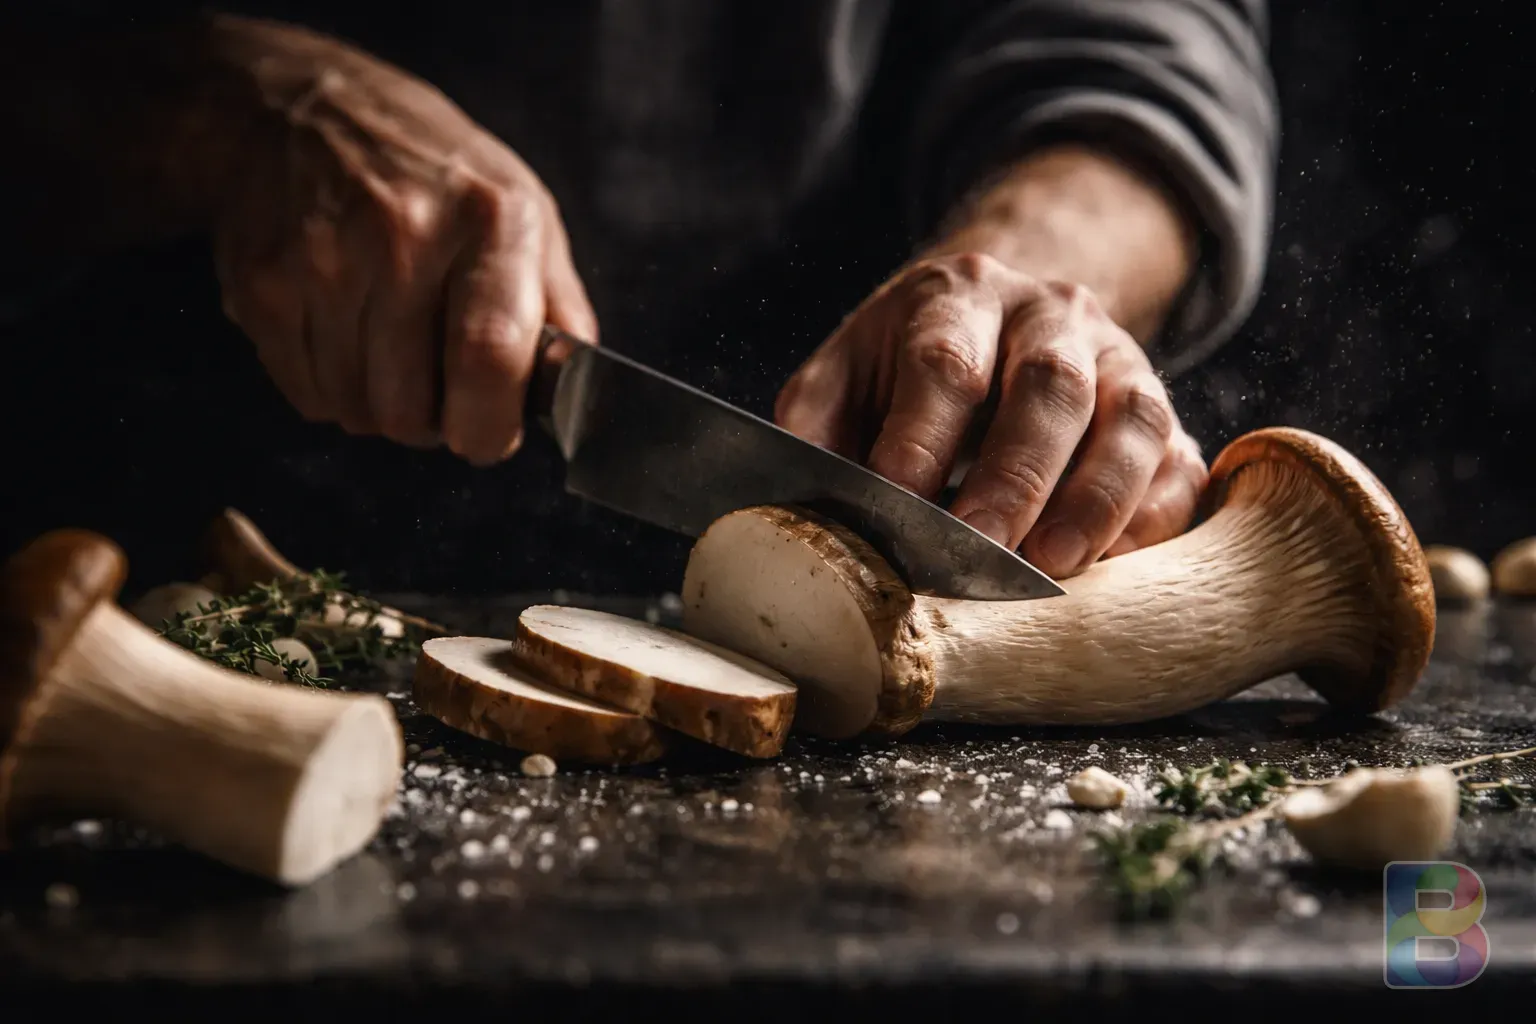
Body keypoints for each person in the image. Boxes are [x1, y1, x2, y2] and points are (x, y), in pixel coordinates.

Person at [0, 2, 1275, 581]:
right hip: (131, 548)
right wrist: (216, 102)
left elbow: (1139, 39)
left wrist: (1037, 261)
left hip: (830, 525)